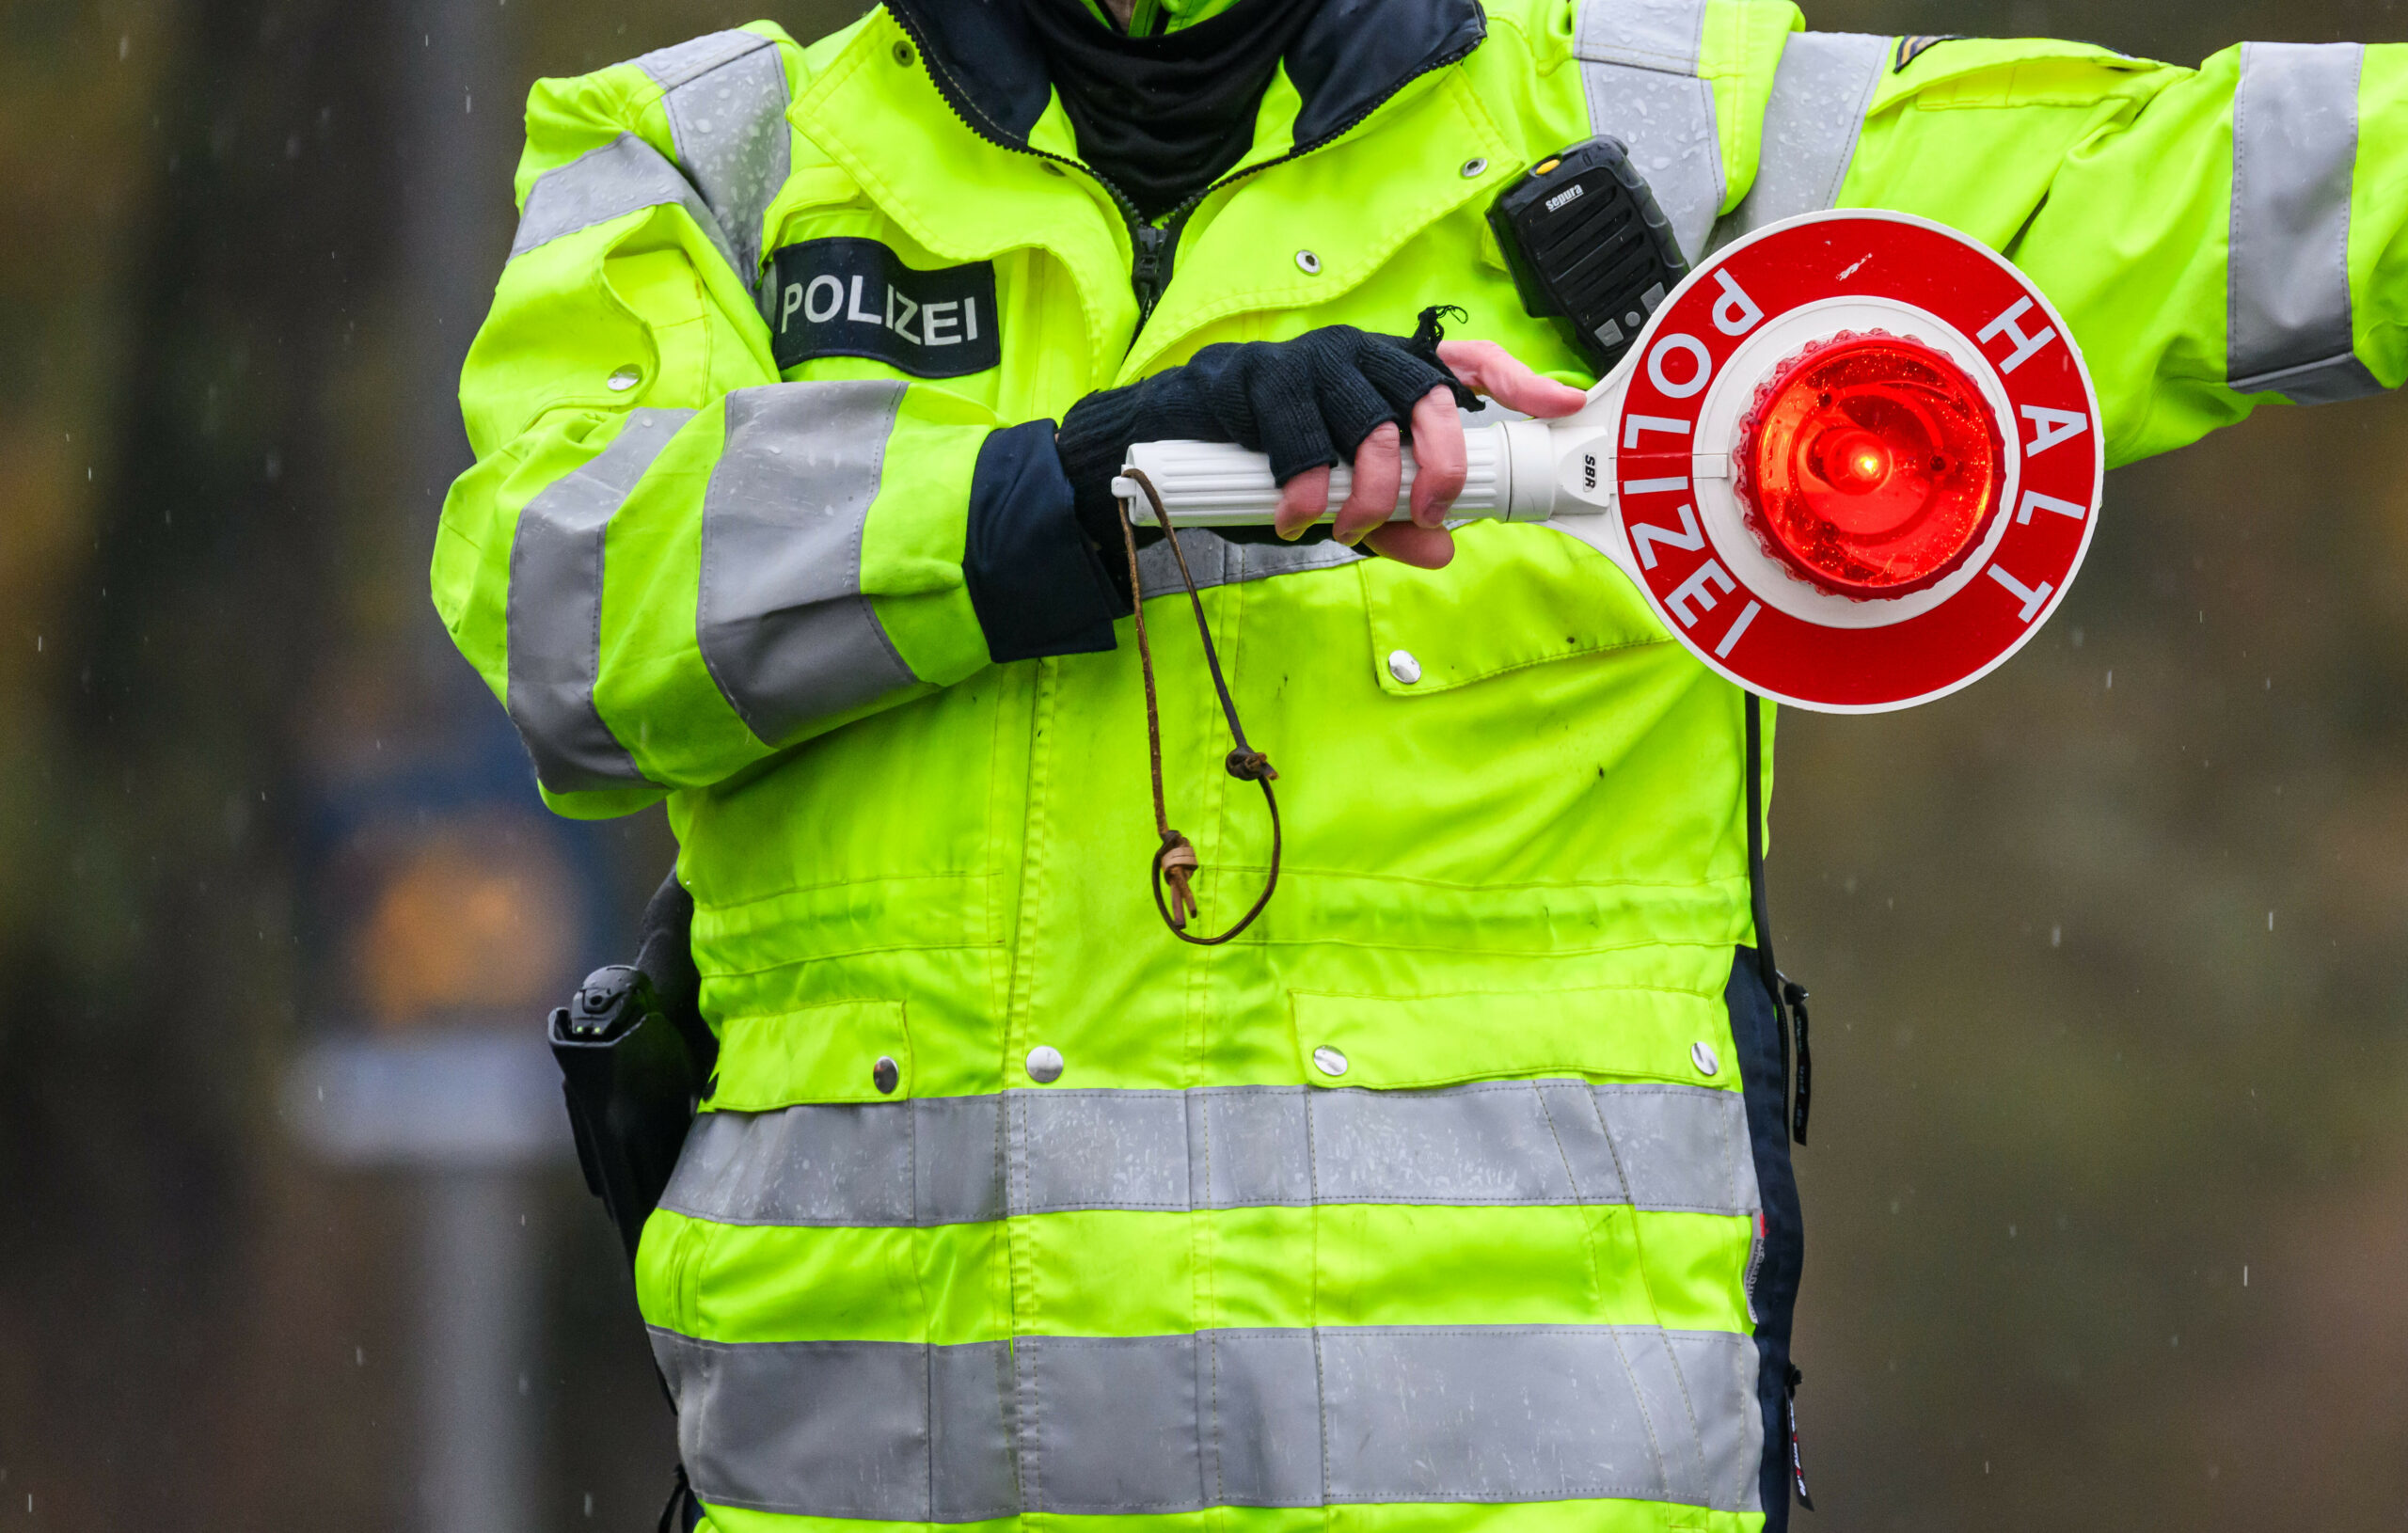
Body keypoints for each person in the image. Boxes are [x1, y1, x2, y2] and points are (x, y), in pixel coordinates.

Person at [436, 2, 2402, 1527]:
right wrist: (1065, 487)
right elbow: (559, 599)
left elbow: (2287, 186)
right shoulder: (703, 157)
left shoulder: (1695, 141)